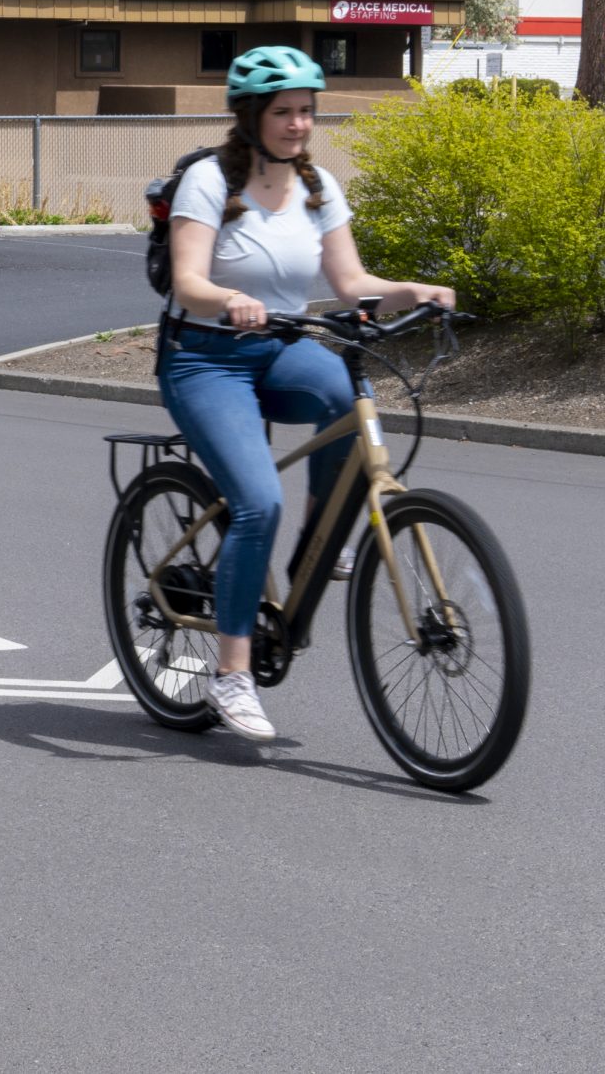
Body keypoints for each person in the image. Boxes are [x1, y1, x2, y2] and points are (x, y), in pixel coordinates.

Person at [160, 44, 454, 743]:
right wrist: (231, 299)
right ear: (252, 116)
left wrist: (414, 290)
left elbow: (352, 285)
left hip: (283, 346)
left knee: (353, 405)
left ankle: (314, 553)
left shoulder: (318, 185)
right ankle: (232, 675)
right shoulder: (208, 180)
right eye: (284, 112)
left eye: (306, 111)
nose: (298, 124)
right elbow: (187, 282)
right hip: (205, 359)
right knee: (259, 500)